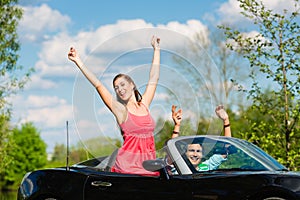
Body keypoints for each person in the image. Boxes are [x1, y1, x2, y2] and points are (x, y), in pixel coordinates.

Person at [68, 36, 161, 176]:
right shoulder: (121, 111)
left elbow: (154, 77)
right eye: (116, 87)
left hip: (149, 169)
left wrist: (157, 49)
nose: (120, 89)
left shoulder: (144, 105)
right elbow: (98, 85)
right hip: (128, 171)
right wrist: (78, 61)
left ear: (132, 85)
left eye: (122, 85)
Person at [169, 105, 232, 173]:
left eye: (198, 151)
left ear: (202, 155)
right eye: (192, 150)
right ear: (185, 153)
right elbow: (172, 151)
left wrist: (226, 120)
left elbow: (225, 149)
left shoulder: (206, 166)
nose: (195, 154)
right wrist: (177, 125)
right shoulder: (178, 169)